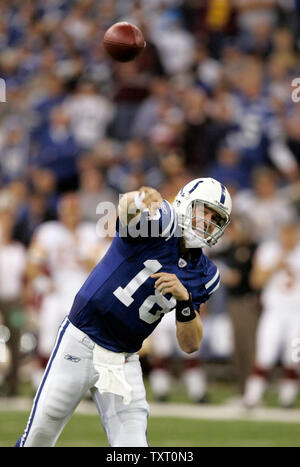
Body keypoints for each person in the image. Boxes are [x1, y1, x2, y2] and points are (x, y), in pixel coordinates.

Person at [16, 177, 232, 447]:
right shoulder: (162, 222)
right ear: (186, 202)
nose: (207, 221)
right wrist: (139, 199)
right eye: (204, 210)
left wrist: (185, 301)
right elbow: (125, 215)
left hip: (124, 359)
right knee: (38, 439)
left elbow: (190, 344)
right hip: (82, 339)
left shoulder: (205, 274)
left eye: (216, 218)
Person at [243, 222, 300, 408]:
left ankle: (287, 399)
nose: (289, 238)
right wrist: (276, 266)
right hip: (273, 312)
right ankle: (252, 397)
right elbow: (255, 281)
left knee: (293, 358)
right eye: (286, 233)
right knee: (264, 355)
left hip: (296, 313)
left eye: (292, 234)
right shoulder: (269, 251)